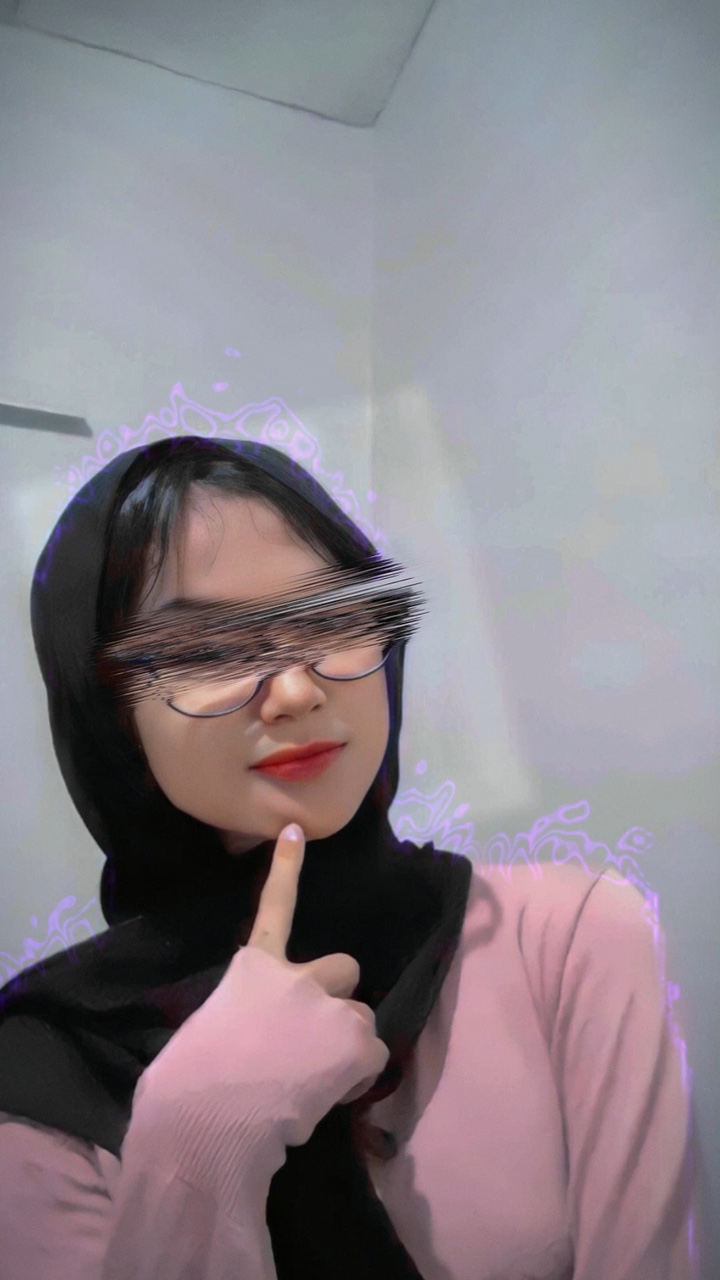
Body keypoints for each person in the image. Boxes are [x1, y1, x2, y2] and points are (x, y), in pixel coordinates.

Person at [0, 435, 697, 1280]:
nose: (297, 691)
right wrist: (197, 1128)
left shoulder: (566, 938)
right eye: (208, 650)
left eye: (329, 618)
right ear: (107, 713)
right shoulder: (46, 1067)